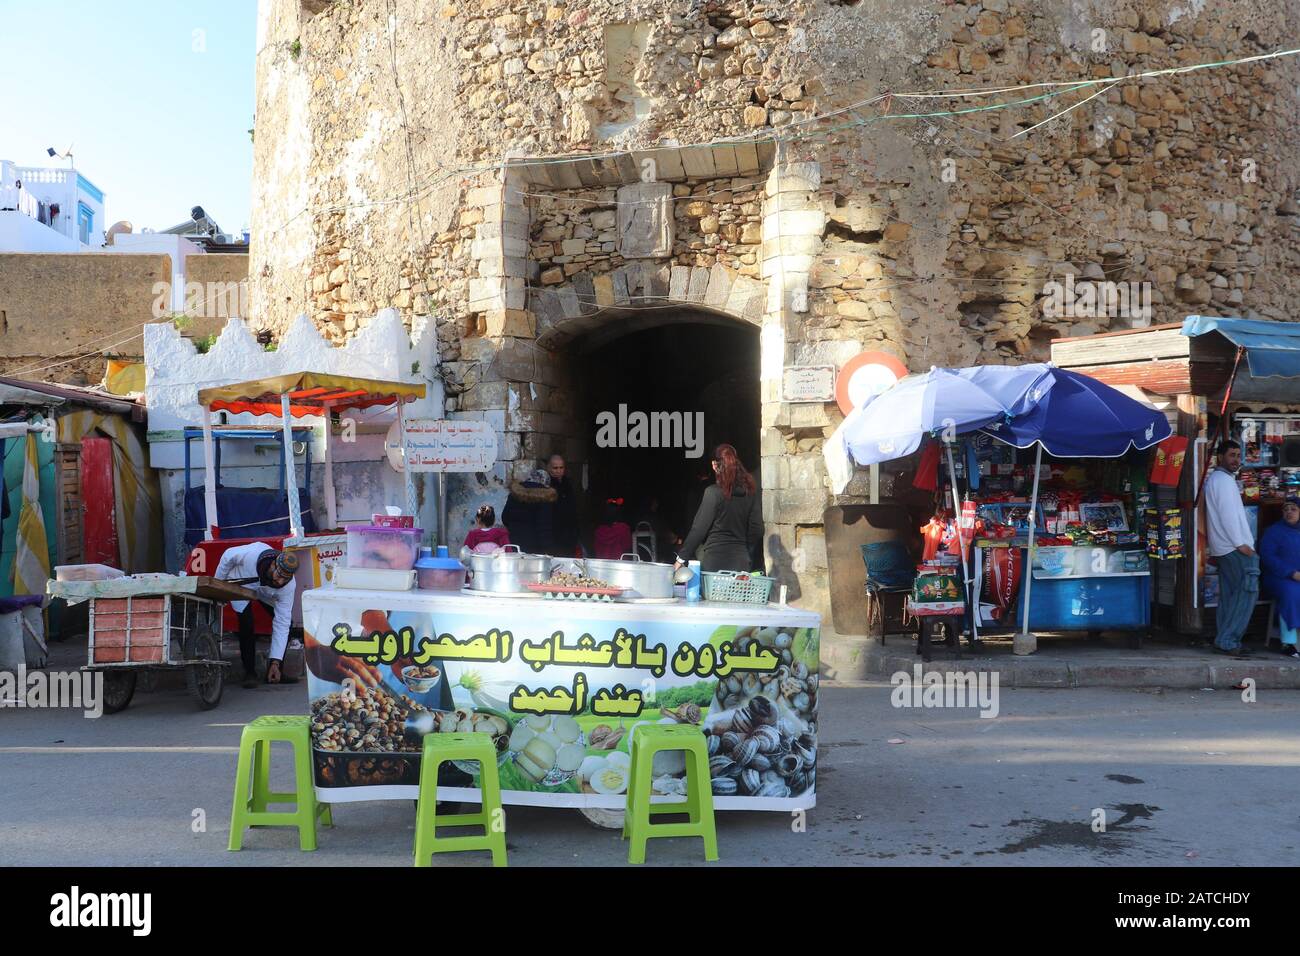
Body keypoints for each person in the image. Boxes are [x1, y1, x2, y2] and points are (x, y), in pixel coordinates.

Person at [1203, 439, 1259, 658]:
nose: (1236, 460)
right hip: (1233, 547)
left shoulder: (1218, 480)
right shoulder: (1223, 482)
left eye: (1238, 455)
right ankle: (1228, 640)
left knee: (1230, 596)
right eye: (1231, 455)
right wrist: (1242, 545)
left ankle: (1224, 639)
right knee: (1246, 593)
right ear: (1220, 457)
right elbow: (1228, 517)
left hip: (1224, 547)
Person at [214, 543, 299, 686]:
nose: (280, 581)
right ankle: (249, 673)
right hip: (242, 583)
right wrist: (218, 587)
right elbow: (227, 555)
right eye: (279, 575)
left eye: (286, 578)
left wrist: (275, 661)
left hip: (267, 593)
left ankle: (275, 669)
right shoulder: (251, 555)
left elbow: (281, 623)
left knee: (287, 624)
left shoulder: (287, 586)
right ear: (272, 565)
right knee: (247, 624)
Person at [675, 443, 763, 574]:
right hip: (741, 564)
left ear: (714, 465)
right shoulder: (749, 493)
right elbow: (757, 529)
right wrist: (742, 546)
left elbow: (699, 529)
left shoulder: (713, 493)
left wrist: (681, 559)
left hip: (714, 564)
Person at [1258, 496, 1300, 659]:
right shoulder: (1274, 531)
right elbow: (1268, 557)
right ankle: (1288, 643)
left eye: (1293, 509)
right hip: (1278, 578)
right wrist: (1291, 573)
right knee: (1290, 593)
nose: (1289, 512)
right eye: (1286, 509)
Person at [501, 468, 556, 554]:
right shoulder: (545, 498)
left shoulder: (514, 494)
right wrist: (547, 549)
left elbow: (505, 518)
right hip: (535, 547)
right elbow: (544, 526)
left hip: (514, 543)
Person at [546, 454, 582, 557]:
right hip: (553, 535)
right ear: (549, 468)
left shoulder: (568, 484)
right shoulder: (546, 486)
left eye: (561, 467)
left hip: (569, 536)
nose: (558, 471)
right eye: (555, 468)